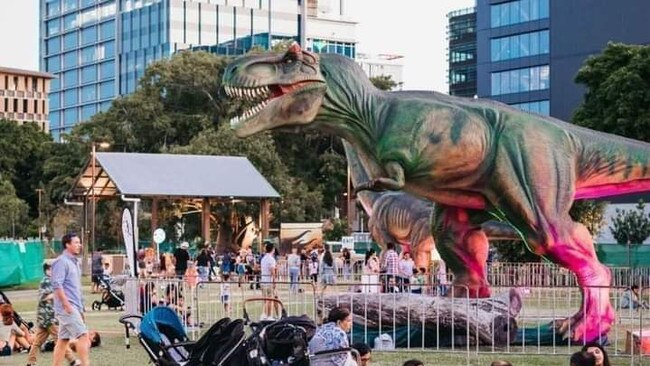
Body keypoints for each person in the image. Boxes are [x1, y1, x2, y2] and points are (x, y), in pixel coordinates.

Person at [26, 262, 79, 366]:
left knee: (37, 342)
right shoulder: (46, 281)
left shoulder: (52, 281)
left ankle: (30, 362)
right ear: (47, 270)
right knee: (60, 339)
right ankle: (72, 360)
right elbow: (42, 297)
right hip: (48, 317)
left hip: (44, 317)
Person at [51, 233, 90, 366]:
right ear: (67, 244)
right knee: (83, 336)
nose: (79, 245)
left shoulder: (74, 262)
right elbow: (57, 285)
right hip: (67, 307)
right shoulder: (61, 262)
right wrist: (66, 305)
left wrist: (81, 308)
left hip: (75, 306)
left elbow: (75, 288)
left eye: (79, 242)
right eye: (76, 242)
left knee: (63, 340)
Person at [260, 242, 278, 320]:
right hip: (269, 281)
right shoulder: (271, 259)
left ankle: (265, 314)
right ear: (273, 250)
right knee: (270, 299)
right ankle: (269, 316)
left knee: (265, 300)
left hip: (263, 281)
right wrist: (274, 282)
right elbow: (272, 271)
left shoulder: (263, 259)